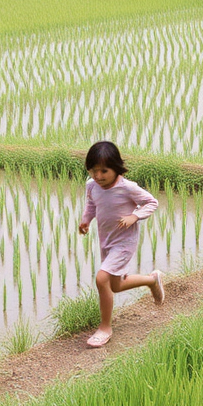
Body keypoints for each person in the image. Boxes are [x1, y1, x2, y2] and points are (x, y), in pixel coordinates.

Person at [77, 141, 164, 348]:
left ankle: (105, 327)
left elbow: (152, 202)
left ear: (116, 168)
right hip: (106, 239)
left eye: (104, 171)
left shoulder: (127, 187)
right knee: (114, 285)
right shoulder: (92, 186)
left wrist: (135, 216)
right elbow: (91, 204)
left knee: (101, 278)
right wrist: (86, 220)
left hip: (124, 242)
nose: (98, 176)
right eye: (93, 171)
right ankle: (152, 280)